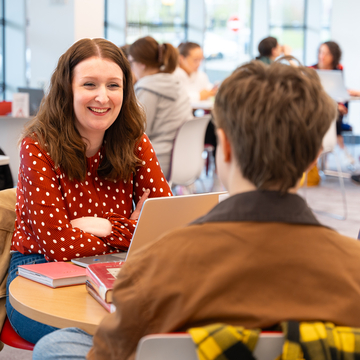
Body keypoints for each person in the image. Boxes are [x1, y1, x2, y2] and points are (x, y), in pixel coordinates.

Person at [33, 61, 360, 360]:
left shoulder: (156, 264)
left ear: (224, 146)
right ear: (315, 156)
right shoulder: (353, 267)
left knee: (57, 345)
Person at [6, 38, 172, 345]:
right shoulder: (38, 146)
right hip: (40, 271)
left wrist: (105, 225)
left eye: (113, 85)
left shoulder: (135, 140)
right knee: (111, 338)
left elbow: (166, 227)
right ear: (67, 89)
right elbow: (57, 245)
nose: (103, 97)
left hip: (119, 267)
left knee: (160, 331)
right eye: (89, 84)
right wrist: (132, 227)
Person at [128, 36, 193, 179]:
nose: (130, 67)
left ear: (142, 64)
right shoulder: (174, 83)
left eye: (131, 62)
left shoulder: (148, 88)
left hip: (157, 161)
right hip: (183, 157)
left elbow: (140, 133)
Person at [309, 41, 352, 149]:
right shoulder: (311, 70)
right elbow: (314, 94)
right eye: (320, 52)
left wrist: (340, 104)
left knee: (337, 111)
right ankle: (340, 146)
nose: (322, 56)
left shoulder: (339, 69)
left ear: (334, 55)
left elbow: (338, 89)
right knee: (333, 110)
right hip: (316, 106)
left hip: (333, 105)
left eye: (326, 53)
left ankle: (336, 145)